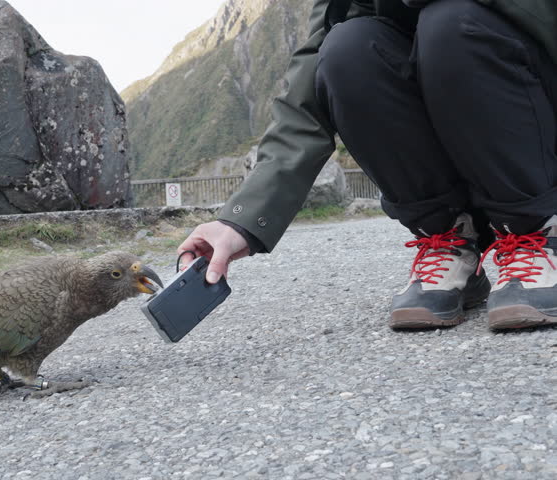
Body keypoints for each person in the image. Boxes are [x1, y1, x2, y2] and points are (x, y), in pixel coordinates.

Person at [178, 0, 557, 331]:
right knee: (346, 49)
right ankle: (448, 238)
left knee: (449, 23)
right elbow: (306, 89)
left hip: (531, 101)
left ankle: (538, 231)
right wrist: (242, 219)